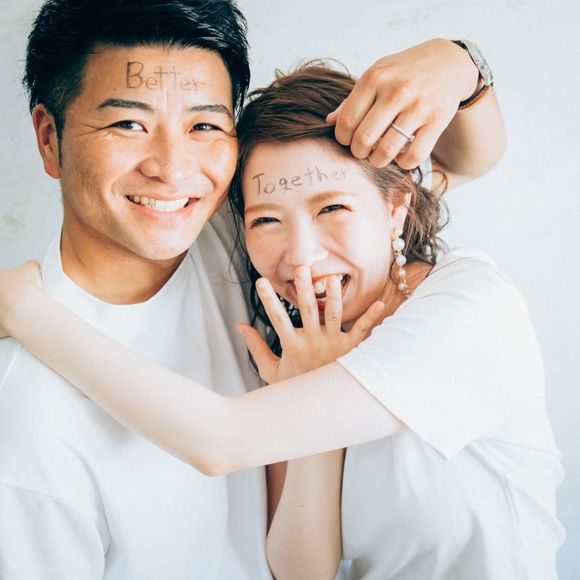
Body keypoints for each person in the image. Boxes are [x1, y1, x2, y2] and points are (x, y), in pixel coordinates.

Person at [0, 58, 564, 580]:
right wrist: (310, 396)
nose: (301, 256)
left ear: (396, 207)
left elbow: (220, 440)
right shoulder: (295, 340)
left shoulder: (469, 309)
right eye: (266, 220)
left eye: (332, 208)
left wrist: (27, 310)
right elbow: (300, 572)